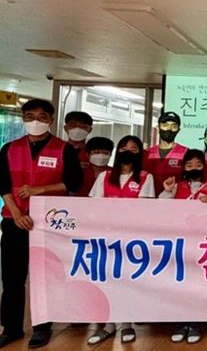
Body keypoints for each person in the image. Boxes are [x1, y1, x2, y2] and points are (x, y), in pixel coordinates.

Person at [0, 99, 83, 349]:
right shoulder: (9, 148)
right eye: (30, 116)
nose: (35, 121)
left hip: (49, 223)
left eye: (42, 116)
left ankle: (41, 327)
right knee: (12, 278)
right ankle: (11, 328)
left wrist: (41, 189)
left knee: (44, 277)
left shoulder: (63, 149)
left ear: (51, 120)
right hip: (14, 221)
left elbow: (73, 182)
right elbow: (3, 185)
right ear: (23, 118)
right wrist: (16, 213)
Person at [87, 136, 155, 345]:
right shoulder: (105, 176)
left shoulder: (145, 177)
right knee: (107, 280)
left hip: (133, 239)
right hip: (106, 238)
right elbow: (94, 206)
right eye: (124, 147)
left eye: (134, 148)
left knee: (128, 281)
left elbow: (144, 209)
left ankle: (127, 324)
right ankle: (108, 325)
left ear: (140, 153)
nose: (128, 151)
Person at [160, 149, 207, 344]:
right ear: (183, 167)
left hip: (202, 244)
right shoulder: (175, 186)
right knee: (178, 284)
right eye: (189, 165)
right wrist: (167, 192)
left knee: (198, 286)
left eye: (198, 165)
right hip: (179, 243)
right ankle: (179, 323)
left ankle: (195, 324)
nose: (194, 168)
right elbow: (159, 209)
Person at [144, 111, 188, 197]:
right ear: (158, 128)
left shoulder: (186, 153)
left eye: (173, 126)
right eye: (165, 125)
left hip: (175, 201)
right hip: (147, 201)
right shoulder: (146, 153)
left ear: (178, 130)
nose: (169, 129)